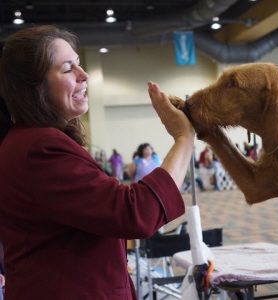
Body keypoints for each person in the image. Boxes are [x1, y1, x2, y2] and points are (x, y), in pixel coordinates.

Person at [0, 25, 194, 300]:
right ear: (35, 88)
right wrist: (184, 139)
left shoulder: (31, 141)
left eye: (79, 64)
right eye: (68, 69)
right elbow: (134, 213)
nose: (84, 75)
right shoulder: (41, 148)